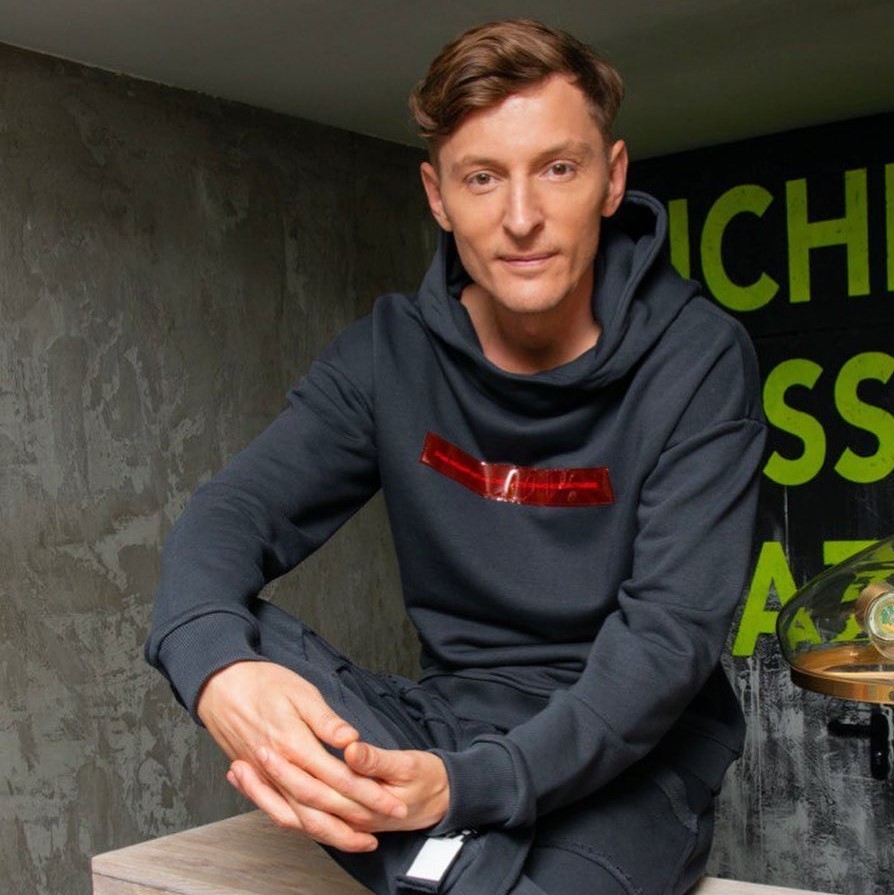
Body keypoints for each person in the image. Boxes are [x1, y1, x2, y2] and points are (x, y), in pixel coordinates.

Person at [146, 18, 766, 895]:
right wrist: (217, 670)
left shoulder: (698, 358)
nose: (521, 218)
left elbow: (666, 643)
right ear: (438, 196)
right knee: (235, 631)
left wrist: (466, 790)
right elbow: (232, 515)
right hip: (443, 723)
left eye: (558, 168)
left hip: (635, 753)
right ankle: (456, 863)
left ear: (613, 178)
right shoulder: (388, 354)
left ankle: (445, 865)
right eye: (483, 178)